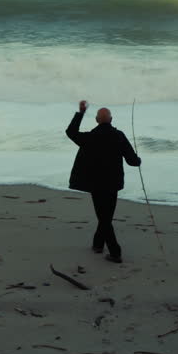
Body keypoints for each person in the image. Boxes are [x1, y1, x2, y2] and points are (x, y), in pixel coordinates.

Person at [66, 100, 141, 263]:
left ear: (96, 120)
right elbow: (132, 160)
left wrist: (80, 113)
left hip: (96, 184)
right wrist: (138, 160)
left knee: (104, 217)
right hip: (113, 184)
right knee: (105, 217)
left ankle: (107, 249)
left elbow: (70, 132)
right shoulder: (119, 136)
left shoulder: (89, 137)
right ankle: (106, 248)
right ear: (111, 120)